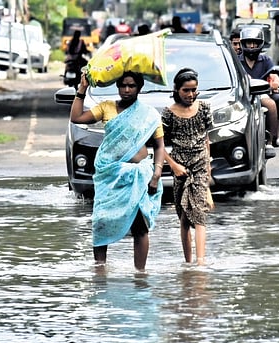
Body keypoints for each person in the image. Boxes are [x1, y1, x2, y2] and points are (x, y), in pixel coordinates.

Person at [70, 71, 165, 272]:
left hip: (138, 176)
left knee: (140, 226)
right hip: (110, 175)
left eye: (131, 86)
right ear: (117, 87)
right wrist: (82, 89)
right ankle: (100, 271)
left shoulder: (149, 114)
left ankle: (140, 275)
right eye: (123, 85)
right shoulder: (107, 108)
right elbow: (77, 117)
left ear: (139, 88)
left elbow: (159, 146)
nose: (127, 90)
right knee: (101, 221)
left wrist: (156, 174)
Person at [161, 68, 214, 266]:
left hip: (200, 165)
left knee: (198, 212)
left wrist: (208, 165)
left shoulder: (205, 108)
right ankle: (188, 262)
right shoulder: (168, 114)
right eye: (186, 90)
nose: (191, 95)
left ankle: (201, 262)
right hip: (180, 168)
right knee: (183, 216)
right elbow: (159, 145)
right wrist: (173, 165)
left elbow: (206, 138)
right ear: (177, 90)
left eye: (194, 90)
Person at [238, 27, 279, 149]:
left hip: (261, 92)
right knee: (270, 104)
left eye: (254, 43)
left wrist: (276, 82)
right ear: (243, 44)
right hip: (242, 94)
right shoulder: (237, 61)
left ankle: (272, 139)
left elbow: (274, 74)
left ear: (260, 44)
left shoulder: (266, 60)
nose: (251, 46)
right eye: (248, 43)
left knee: (277, 100)